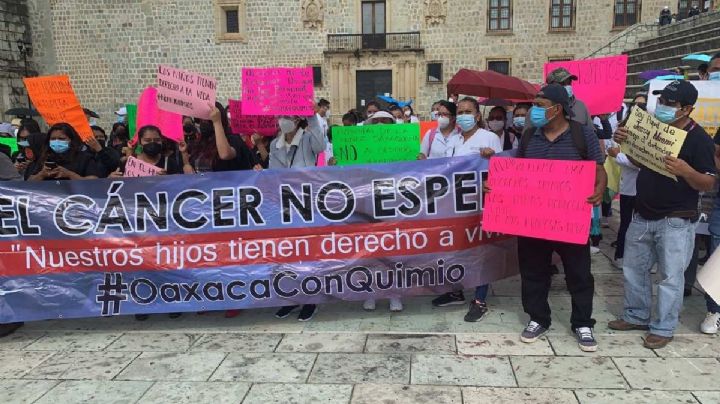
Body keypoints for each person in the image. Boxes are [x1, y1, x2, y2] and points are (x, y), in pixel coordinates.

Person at [610, 80, 715, 349]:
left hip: (676, 219)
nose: (663, 107)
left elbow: (707, 182)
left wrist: (685, 170)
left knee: (670, 276)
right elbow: (639, 160)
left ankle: (664, 327)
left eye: (671, 104)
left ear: (687, 109)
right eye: (662, 101)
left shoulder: (699, 139)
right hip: (643, 212)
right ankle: (636, 315)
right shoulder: (655, 130)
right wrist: (625, 145)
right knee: (634, 269)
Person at [515, 84, 607, 352]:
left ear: (557, 109)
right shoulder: (529, 135)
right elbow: (518, 172)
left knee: (578, 272)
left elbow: (598, 168)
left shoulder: (583, 134)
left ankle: (582, 322)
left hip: (570, 218)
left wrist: (600, 187)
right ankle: (537, 318)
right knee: (533, 271)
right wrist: (498, 188)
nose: (535, 110)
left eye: (540, 105)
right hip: (533, 218)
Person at [431, 97, 502, 322]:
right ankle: (456, 291)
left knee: (481, 250)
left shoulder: (488, 137)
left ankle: (480, 299)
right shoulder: (455, 140)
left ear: (478, 115)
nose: (463, 115)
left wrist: (492, 158)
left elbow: (501, 168)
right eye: (460, 111)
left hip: (481, 202)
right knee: (458, 247)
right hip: (456, 204)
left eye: (468, 111)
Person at [270, 112, 326, 321]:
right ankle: (290, 298)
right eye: (281, 116)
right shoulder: (275, 145)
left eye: (288, 116)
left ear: (296, 119)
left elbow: (320, 147)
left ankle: (311, 299)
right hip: (285, 208)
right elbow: (272, 174)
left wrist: (312, 117)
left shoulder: (308, 139)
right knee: (288, 255)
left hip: (306, 207)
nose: (283, 120)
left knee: (308, 254)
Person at [607, 95, 645, 269]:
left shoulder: (651, 135)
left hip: (646, 189)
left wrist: (619, 156)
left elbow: (643, 164)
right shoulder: (622, 130)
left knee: (643, 226)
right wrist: (618, 155)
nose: (639, 109)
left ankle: (642, 260)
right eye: (636, 105)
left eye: (643, 106)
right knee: (626, 224)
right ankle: (621, 255)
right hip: (629, 188)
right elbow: (615, 152)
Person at [190, 102, 256, 174]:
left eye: (207, 120)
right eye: (202, 120)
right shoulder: (201, 143)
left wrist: (217, 122)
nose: (203, 123)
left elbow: (225, 154)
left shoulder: (233, 139)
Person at [26, 123, 103, 181]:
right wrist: (42, 174)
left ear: (71, 140)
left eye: (61, 139)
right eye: (53, 139)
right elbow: (29, 182)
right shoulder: (45, 157)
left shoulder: (84, 158)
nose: (57, 141)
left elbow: (94, 180)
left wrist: (69, 174)